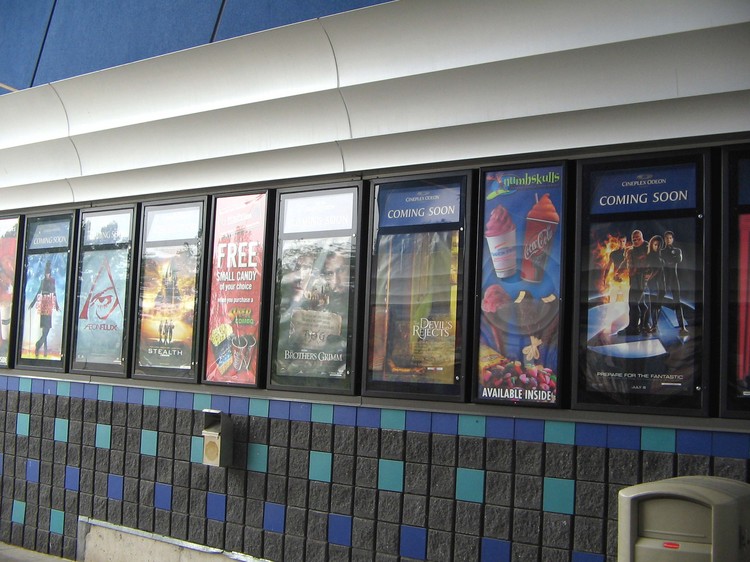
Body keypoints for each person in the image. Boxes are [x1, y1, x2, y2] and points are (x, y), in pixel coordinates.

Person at [617, 230, 648, 336]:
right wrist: (618, 273)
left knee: (633, 303)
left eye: (638, 238)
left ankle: (633, 328)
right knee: (641, 304)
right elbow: (625, 262)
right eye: (634, 239)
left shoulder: (648, 248)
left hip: (642, 279)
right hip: (634, 279)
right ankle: (644, 325)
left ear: (642, 238)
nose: (636, 241)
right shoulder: (630, 250)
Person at [29, 260, 59, 357]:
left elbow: (54, 293)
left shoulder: (52, 281)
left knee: (47, 328)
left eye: (48, 273)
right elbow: (38, 292)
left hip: (49, 304)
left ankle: (39, 346)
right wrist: (33, 303)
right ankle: (42, 350)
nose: (47, 275)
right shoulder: (43, 281)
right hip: (43, 305)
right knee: (44, 329)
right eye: (46, 273)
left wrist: (56, 305)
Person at [661, 230, 688, 336]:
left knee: (677, 303)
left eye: (670, 238)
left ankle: (682, 327)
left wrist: (668, 260)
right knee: (657, 302)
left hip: (674, 279)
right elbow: (661, 261)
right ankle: (653, 326)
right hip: (663, 279)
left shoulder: (677, 250)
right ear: (664, 239)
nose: (668, 240)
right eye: (666, 238)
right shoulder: (661, 251)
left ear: (672, 239)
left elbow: (678, 259)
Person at [643, 235, 665, 333]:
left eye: (659, 245)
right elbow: (650, 271)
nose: (657, 247)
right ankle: (650, 325)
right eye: (655, 245)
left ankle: (654, 325)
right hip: (652, 285)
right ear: (651, 245)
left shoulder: (660, 258)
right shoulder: (649, 257)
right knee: (652, 306)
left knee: (657, 306)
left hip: (661, 285)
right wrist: (647, 279)